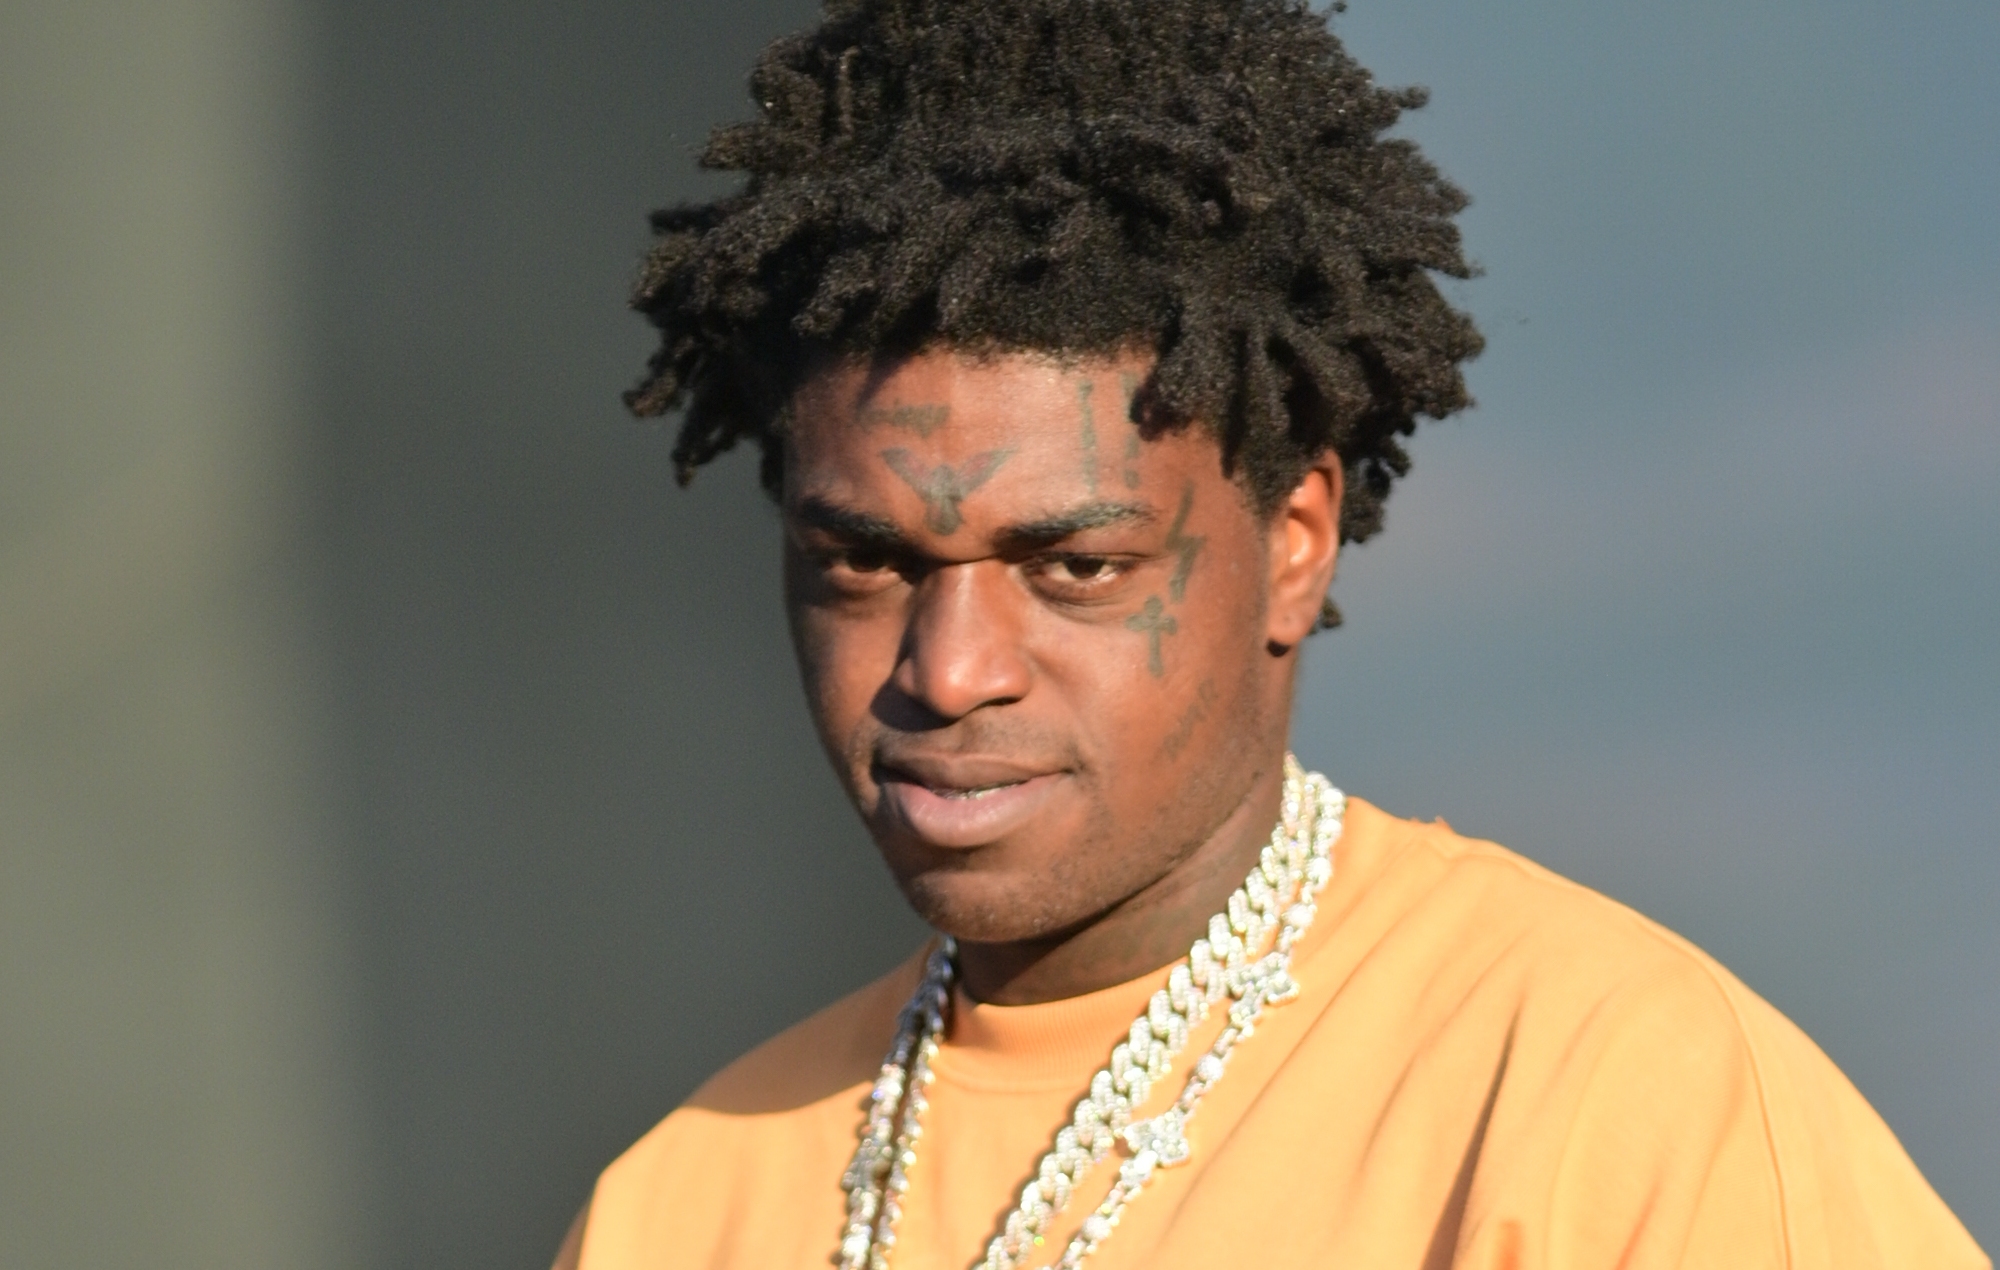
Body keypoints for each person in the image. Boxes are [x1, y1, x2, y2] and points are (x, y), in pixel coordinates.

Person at [555, 1, 1986, 1266]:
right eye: (865, 562)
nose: (950, 669)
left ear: (1294, 542)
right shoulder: (678, 1207)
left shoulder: (1602, 1097)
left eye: (1076, 567)